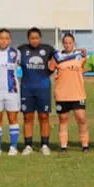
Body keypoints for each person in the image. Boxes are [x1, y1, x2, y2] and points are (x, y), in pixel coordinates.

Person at [18, 27, 57, 155]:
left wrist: (51, 70)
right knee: (27, 117)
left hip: (43, 87)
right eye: (31, 38)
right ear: (28, 38)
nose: (34, 40)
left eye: (36, 38)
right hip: (27, 88)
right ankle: (28, 146)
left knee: (44, 116)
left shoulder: (48, 49)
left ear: (40, 38)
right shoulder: (22, 50)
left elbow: (60, 57)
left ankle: (44, 145)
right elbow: (7, 55)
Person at [0, 29, 22, 156]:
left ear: (10, 40)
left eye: (6, 38)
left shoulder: (16, 52)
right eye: (1, 38)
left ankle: (13, 147)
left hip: (12, 90)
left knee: (13, 118)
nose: (4, 40)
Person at [52, 33, 91, 152]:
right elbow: (50, 68)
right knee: (63, 119)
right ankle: (63, 146)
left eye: (70, 42)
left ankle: (85, 145)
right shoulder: (57, 57)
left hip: (77, 93)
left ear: (74, 43)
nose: (68, 45)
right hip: (62, 94)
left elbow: (88, 67)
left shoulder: (80, 56)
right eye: (65, 42)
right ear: (62, 44)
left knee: (81, 118)